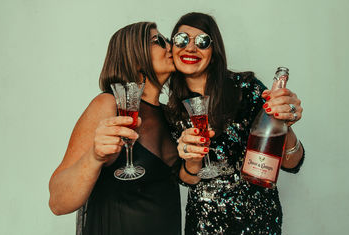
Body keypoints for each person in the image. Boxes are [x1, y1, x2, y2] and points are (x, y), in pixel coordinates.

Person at [166, 12, 305, 234]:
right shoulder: (172, 110)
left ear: (214, 51)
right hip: (204, 225)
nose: (190, 48)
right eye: (182, 39)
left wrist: (284, 123)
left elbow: (292, 164)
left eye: (202, 42)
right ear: (171, 48)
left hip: (257, 222)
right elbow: (185, 179)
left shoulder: (246, 89)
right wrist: (193, 161)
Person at [48, 22, 181, 235]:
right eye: (158, 41)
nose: (170, 46)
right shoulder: (109, 105)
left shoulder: (170, 116)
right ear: (135, 55)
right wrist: (94, 157)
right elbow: (58, 202)